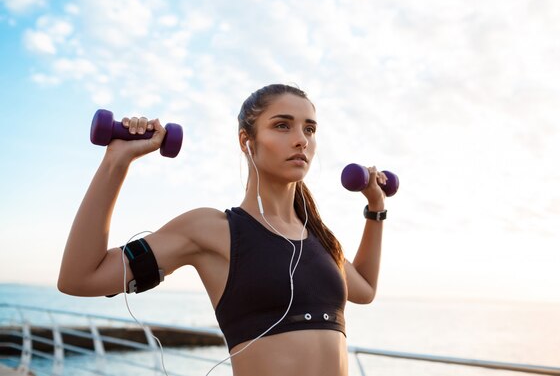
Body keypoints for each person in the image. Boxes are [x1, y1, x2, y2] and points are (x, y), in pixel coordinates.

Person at [58, 84, 388, 376]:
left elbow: (365, 289)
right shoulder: (213, 230)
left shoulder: (319, 239)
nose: (301, 140)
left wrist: (376, 208)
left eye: (310, 129)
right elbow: (81, 277)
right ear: (247, 140)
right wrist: (116, 162)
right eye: (282, 126)